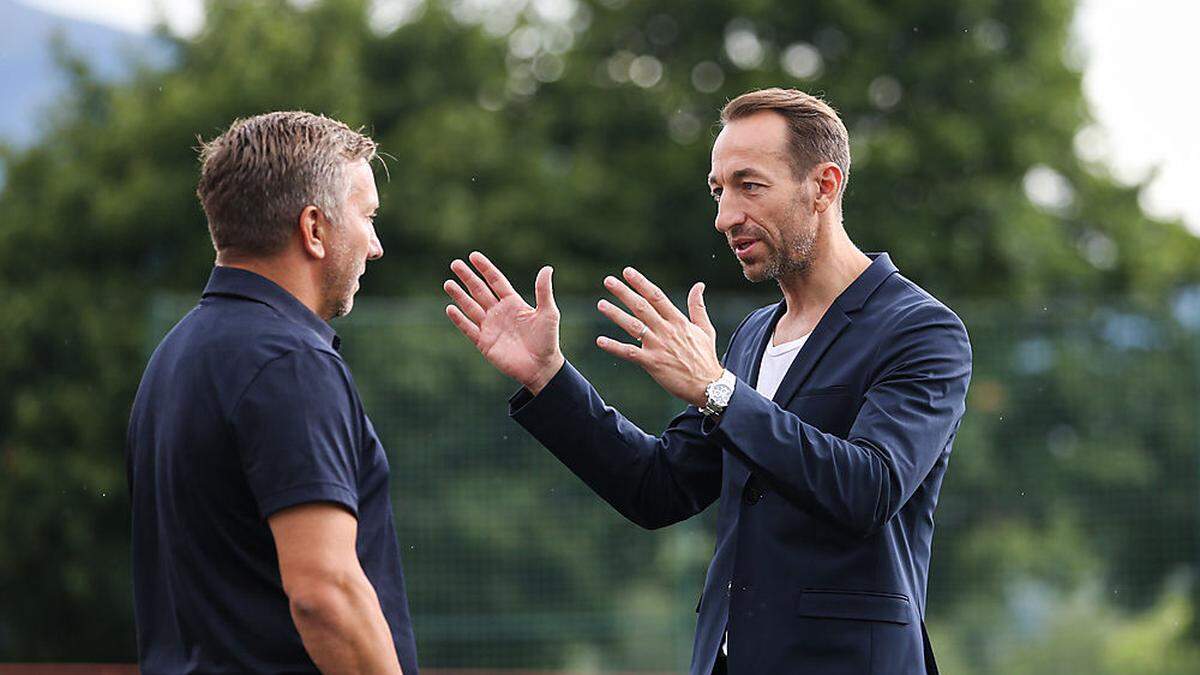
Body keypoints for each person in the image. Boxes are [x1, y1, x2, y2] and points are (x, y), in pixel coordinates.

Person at [443, 88, 971, 674]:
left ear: (824, 186)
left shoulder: (922, 330)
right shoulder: (752, 335)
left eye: (750, 185)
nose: (725, 217)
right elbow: (659, 487)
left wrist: (717, 390)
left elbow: (868, 489)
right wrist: (549, 378)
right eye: (718, 191)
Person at [127, 111, 417, 674]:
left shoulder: (176, 354)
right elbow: (325, 591)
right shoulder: (291, 362)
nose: (376, 246)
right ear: (314, 229)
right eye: (367, 217)